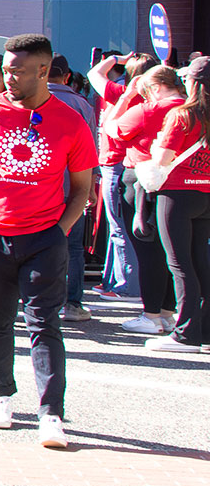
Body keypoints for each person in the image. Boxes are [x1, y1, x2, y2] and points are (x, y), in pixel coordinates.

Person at [0, 34, 96, 448]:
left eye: (17, 70)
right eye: (6, 69)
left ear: (42, 71)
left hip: (44, 236)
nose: (8, 77)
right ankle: (0, 396)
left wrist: (60, 230)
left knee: (44, 325)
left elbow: (82, 188)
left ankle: (51, 413)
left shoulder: (70, 120)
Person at [107, 63, 184, 335]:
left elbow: (111, 128)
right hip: (181, 185)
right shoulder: (191, 109)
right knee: (172, 254)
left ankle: (151, 315)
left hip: (142, 182)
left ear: (153, 88)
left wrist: (127, 96)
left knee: (147, 250)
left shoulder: (146, 109)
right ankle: (166, 313)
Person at [148, 58, 210, 354]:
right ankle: (206, 332)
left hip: (177, 194)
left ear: (192, 82)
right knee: (201, 263)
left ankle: (185, 335)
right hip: (206, 193)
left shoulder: (182, 115)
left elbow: (162, 158)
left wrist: (156, 145)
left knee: (180, 265)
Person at [48, 55, 100, 321]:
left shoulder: (30, 102)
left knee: (39, 245)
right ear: (67, 77)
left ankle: (41, 301)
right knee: (74, 248)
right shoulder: (81, 104)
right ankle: (72, 303)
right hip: (75, 187)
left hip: (40, 190)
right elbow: (92, 149)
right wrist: (91, 187)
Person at [88, 52, 141, 300]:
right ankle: (112, 280)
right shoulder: (143, 97)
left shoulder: (123, 93)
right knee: (120, 227)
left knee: (119, 227)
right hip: (125, 164)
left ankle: (126, 284)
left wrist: (117, 59)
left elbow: (93, 74)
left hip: (116, 164)